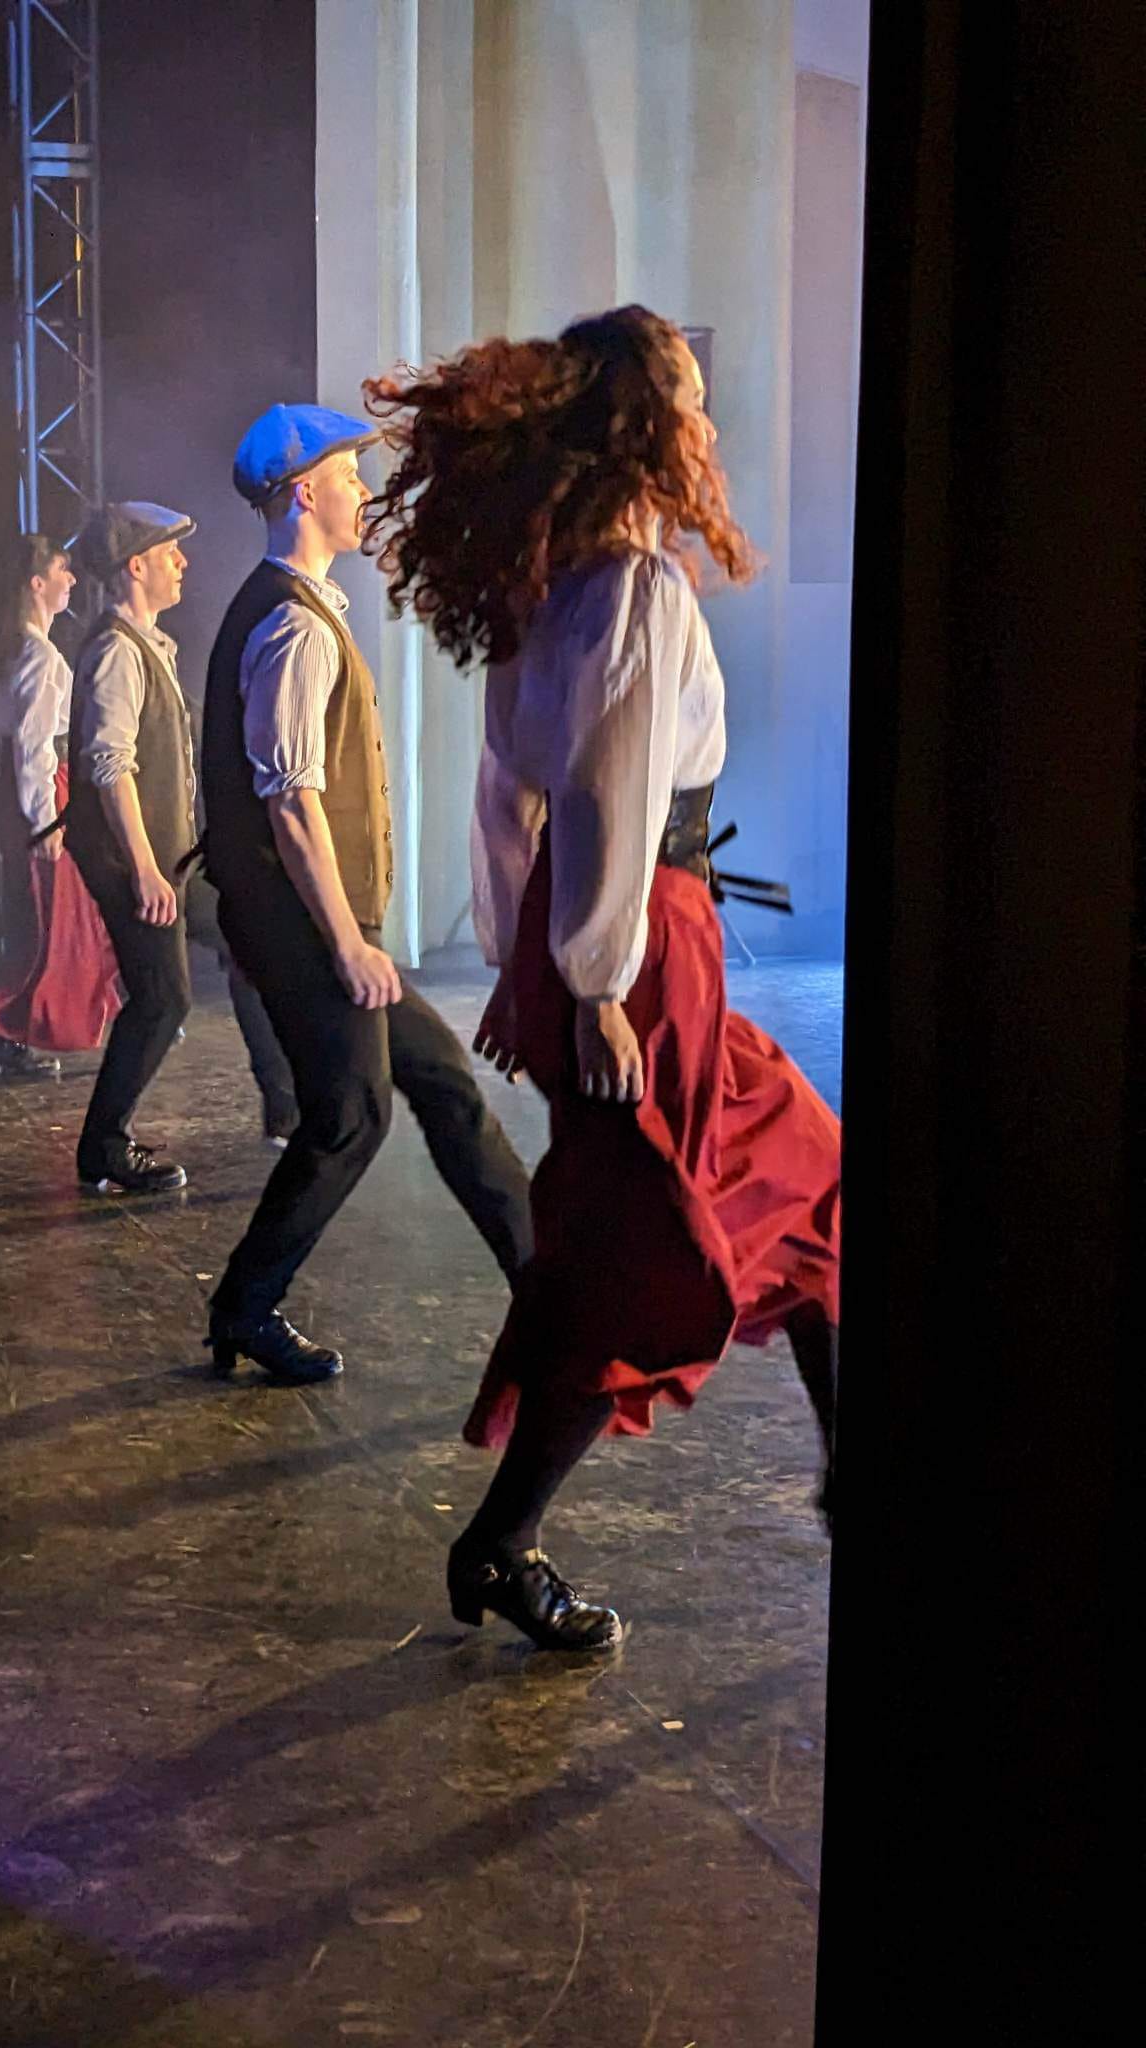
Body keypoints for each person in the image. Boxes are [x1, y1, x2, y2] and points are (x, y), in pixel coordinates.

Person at [365, 306, 841, 1652]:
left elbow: (507, 793)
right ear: (645, 423)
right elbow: (603, 794)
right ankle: (500, 1543)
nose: (706, 415)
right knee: (636, 1261)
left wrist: (533, 957)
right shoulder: (631, 586)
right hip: (644, 951)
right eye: (688, 393)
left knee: (807, 1181)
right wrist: (590, 983)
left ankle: (846, 1468)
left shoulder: (558, 583)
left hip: (613, 943)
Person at [198, 404, 534, 1385]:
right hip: (306, 924)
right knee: (350, 1115)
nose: (362, 490)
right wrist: (348, 943)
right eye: (348, 475)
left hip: (313, 920)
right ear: (305, 493)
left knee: (439, 1080)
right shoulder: (292, 626)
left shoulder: (301, 609)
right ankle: (244, 1306)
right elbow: (291, 804)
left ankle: (545, 1281)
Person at [63, 503, 203, 1195]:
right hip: (133, 860)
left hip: (166, 855)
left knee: (230, 952)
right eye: (171, 552)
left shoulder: (148, 645)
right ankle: (104, 1145)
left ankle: (292, 1098)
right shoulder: (118, 651)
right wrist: (146, 869)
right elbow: (110, 765)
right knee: (161, 999)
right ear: (136, 565)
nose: (183, 563)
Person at [0, 534, 121, 1079]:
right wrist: (46, 822)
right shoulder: (38, 656)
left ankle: (15, 1037)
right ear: (37, 583)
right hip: (43, 795)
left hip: (27, 794)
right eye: (62, 570)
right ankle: (9, 1037)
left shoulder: (14, 652)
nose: (72, 579)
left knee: (50, 923)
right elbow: (34, 747)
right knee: (53, 926)